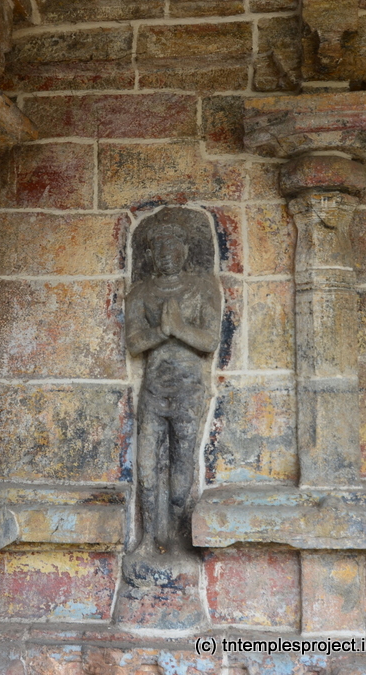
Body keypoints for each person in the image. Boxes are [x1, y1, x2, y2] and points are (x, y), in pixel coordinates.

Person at [125, 218, 222, 558]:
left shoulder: (202, 289)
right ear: (150, 255)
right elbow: (134, 343)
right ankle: (149, 537)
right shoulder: (141, 293)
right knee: (147, 468)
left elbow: (209, 341)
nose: (166, 253)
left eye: (172, 246)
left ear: (184, 250)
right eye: (159, 248)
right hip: (153, 391)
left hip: (188, 391)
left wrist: (179, 328)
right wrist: (161, 332)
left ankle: (179, 537)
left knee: (182, 465)